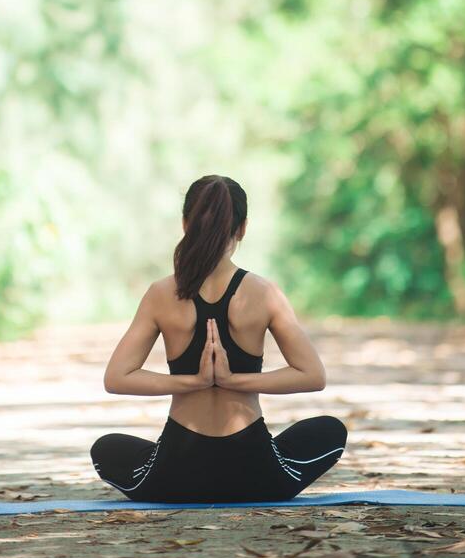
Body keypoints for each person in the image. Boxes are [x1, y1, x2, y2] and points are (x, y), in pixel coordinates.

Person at [90, 174, 348, 503]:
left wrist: (193, 382)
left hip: (175, 478)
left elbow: (117, 377)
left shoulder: (160, 294)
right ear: (242, 227)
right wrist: (234, 380)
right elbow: (313, 375)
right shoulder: (264, 293)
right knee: (329, 430)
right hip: (257, 476)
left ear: (186, 223)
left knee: (106, 449)